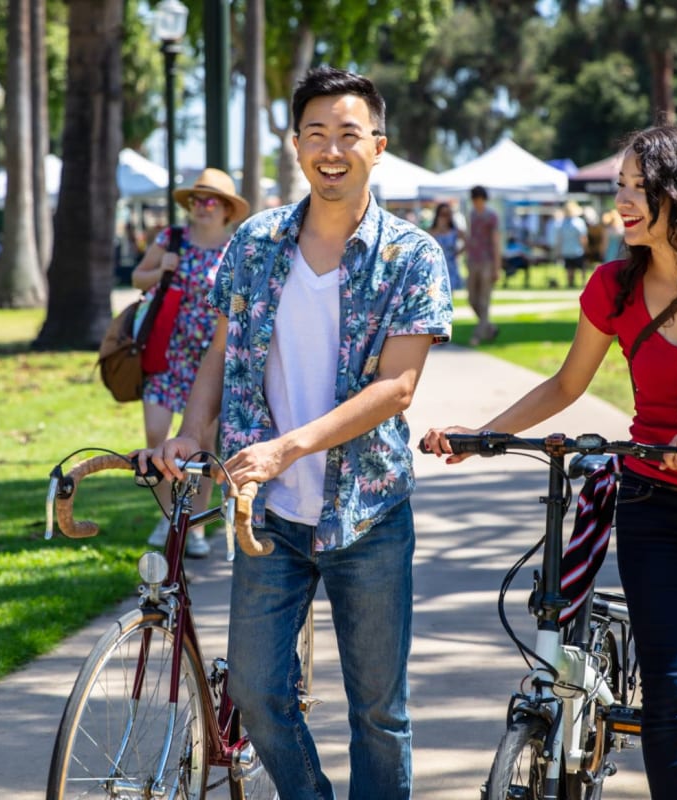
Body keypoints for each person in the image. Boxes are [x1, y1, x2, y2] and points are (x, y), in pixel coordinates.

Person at [422, 123, 677, 800]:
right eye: (621, 186)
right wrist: (483, 434)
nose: (625, 201)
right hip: (654, 506)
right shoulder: (611, 285)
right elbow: (565, 385)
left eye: (642, 187)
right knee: (669, 698)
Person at [142, 66, 452, 799]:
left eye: (349, 134)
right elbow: (220, 350)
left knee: (380, 711)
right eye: (316, 134)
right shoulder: (255, 242)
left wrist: (291, 445)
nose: (332, 149)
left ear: (379, 144)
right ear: (296, 145)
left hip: (368, 514)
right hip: (267, 514)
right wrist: (192, 432)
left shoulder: (412, 256)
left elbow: (397, 387)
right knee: (254, 691)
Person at [132, 167, 249, 557]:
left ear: (227, 210)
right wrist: (159, 268)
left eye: (211, 200)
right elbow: (138, 277)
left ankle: (195, 525)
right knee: (156, 435)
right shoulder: (173, 239)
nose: (202, 207)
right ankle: (167, 514)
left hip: (210, 358)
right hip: (169, 353)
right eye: (197, 200)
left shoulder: (236, 247)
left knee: (203, 444)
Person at [465, 184, 502, 346]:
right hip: (473, 260)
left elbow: (496, 241)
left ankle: (478, 335)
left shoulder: (491, 216)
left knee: (484, 300)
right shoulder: (472, 214)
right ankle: (489, 327)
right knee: (472, 298)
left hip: (487, 261)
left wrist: (497, 266)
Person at [427, 201, 465, 290]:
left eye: (448, 214)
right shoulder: (431, 231)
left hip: (451, 265)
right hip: (436, 266)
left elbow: (468, 241)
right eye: (443, 214)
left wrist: (458, 252)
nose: (445, 217)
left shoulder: (454, 231)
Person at [556, 200, 589, 288]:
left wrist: (559, 250)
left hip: (566, 249)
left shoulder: (562, 223)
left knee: (569, 269)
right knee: (582, 268)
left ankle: (570, 284)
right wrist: (585, 248)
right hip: (577, 249)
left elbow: (560, 239)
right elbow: (583, 237)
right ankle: (583, 284)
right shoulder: (579, 222)